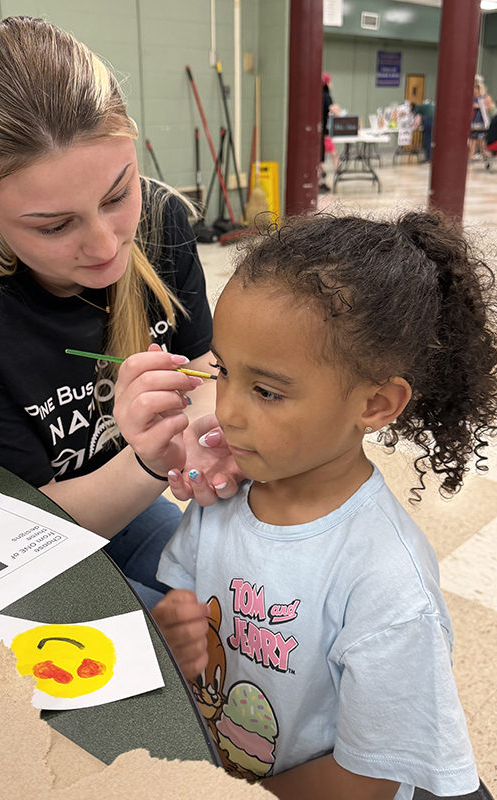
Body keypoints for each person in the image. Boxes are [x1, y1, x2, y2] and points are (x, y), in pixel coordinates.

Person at [122, 212, 495, 798]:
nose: (228, 411)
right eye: (223, 372)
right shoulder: (225, 498)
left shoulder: (387, 585)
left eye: (267, 391)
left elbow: (365, 779)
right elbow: (187, 603)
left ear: (376, 403)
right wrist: (177, 626)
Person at [0, 17, 240, 608]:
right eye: (54, 225)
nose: (107, 246)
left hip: (123, 493)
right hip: (9, 539)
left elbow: (202, 369)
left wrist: (205, 434)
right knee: (166, 651)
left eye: (117, 194)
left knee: (235, 606)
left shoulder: (161, 220)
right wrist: (151, 463)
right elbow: (18, 529)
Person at [470, 76, 493, 160]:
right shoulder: (473, 98)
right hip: (473, 119)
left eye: (476, 89)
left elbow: (489, 107)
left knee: (482, 138)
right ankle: (471, 154)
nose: (475, 91)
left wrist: (479, 106)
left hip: (482, 119)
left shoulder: (485, 97)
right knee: (472, 138)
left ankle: (485, 153)